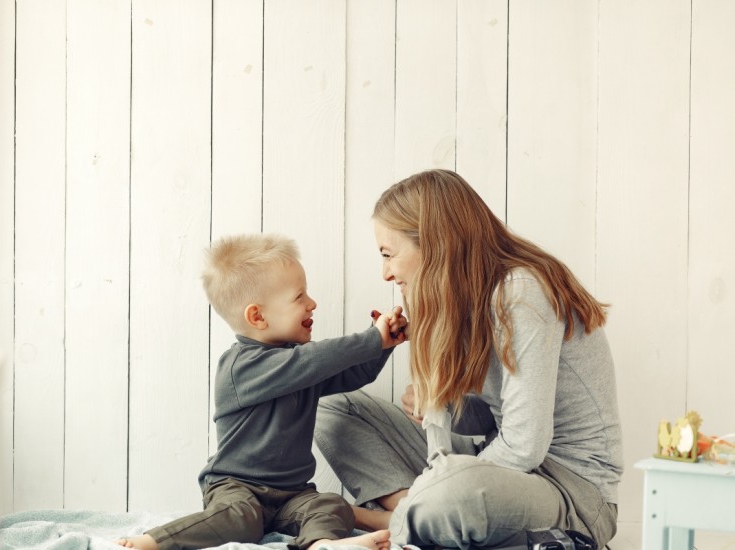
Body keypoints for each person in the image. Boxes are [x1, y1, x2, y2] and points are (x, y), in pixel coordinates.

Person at [314, 169, 623, 549]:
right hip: (501, 472)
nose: (386, 273)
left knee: (453, 491)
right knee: (333, 409)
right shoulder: (471, 296)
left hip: (571, 493)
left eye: (389, 255)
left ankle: (403, 518)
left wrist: (444, 480)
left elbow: (526, 446)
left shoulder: (521, 292)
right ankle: (418, 512)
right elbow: (498, 416)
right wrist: (441, 404)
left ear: (433, 243)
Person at [117, 233, 408, 550]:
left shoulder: (297, 364)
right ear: (257, 316)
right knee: (239, 517)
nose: (312, 303)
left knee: (330, 505)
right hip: (236, 487)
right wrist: (370, 340)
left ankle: (322, 544)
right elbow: (312, 360)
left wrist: (384, 345)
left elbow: (353, 374)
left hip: (292, 494)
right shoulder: (242, 367)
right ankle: (151, 541)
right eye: (299, 297)